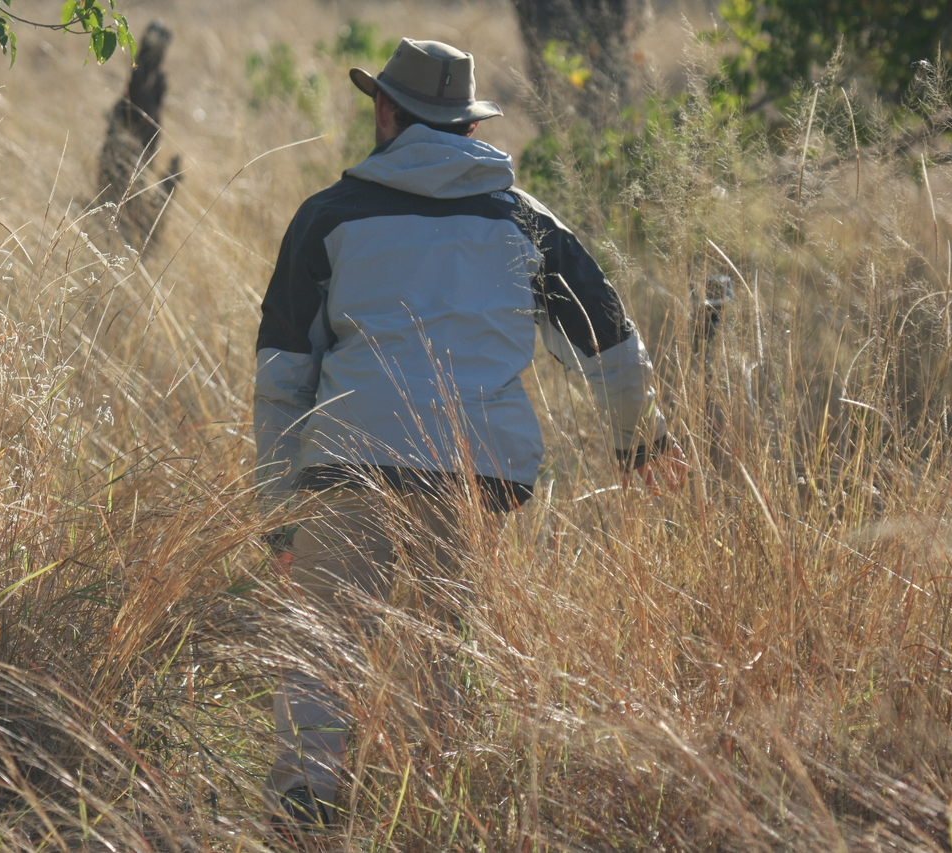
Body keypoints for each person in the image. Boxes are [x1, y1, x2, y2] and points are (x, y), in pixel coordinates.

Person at [253, 37, 685, 840]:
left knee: (321, 646)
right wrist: (640, 447)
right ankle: (432, 817)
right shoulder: (526, 221)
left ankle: (303, 811)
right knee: (439, 658)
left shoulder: (329, 217)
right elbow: (614, 348)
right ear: (466, 125)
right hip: (474, 476)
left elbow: (283, 376)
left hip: (350, 465)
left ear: (386, 111)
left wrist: (277, 513)